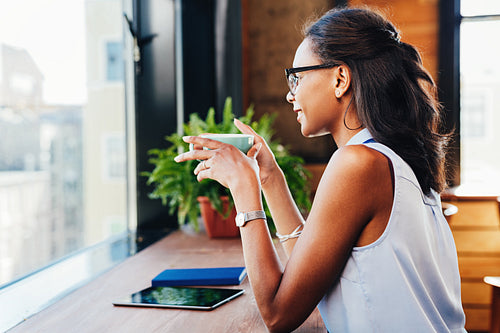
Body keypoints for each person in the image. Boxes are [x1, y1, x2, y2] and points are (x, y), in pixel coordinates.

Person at [174, 7, 466, 333]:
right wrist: (270, 178)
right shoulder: (391, 157)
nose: (290, 94)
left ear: (340, 79)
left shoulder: (358, 164)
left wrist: (244, 188)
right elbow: (309, 272)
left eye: (297, 77)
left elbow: (278, 313)